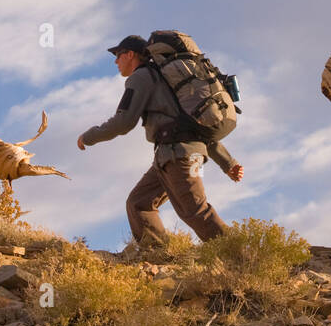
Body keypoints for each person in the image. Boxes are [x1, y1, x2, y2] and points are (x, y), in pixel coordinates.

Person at [77, 34, 243, 251]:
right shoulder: (163, 79)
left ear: (130, 54)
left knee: (194, 210)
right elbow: (191, 124)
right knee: (139, 203)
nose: (115, 62)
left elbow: (124, 122)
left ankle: (242, 257)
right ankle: (158, 254)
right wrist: (227, 162)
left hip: (179, 156)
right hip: (172, 156)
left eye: (118, 55)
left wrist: (88, 137)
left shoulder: (142, 78)